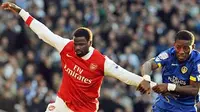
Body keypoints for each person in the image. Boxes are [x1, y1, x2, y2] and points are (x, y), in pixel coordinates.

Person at [1, 2, 156, 112]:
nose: (77, 48)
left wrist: (148, 83)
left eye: (81, 44)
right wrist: (21, 12)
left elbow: (124, 75)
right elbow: (43, 33)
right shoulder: (66, 46)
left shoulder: (101, 62)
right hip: (63, 102)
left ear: (90, 43)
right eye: (76, 44)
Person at [138, 30, 200, 112]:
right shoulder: (169, 54)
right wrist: (146, 78)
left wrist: (169, 87)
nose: (181, 51)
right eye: (178, 47)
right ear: (174, 45)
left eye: (186, 48)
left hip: (185, 108)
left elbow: (194, 89)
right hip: (164, 103)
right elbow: (149, 64)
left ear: (193, 47)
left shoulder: (197, 61)